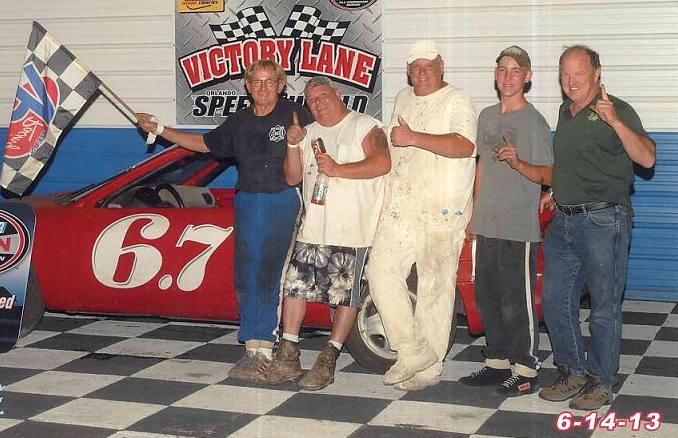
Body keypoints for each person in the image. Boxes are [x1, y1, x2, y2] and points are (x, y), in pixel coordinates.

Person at [137, 58, 312, 382]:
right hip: (247, 200)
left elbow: (327, 140)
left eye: (269, 81)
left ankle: (267, 346)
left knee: (270, 273)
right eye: (256, 81)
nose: (263, 87)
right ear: (247, 86)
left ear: (281, 85)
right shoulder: (239, 121)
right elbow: (203, 144)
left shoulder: (296, 114)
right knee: (246, 273)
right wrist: (160, 130)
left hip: (282, 199)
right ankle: (252, 347)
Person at [539, 45, 655, 410]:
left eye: (579, 74)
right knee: (555, 301)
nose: (571, 81)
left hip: (603, 221)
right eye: (565, 74)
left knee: (604, 307)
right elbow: (573, 162)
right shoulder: (565, 111)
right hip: (564, 221)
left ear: (597, 73)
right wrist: (555, 192)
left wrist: (615, 122)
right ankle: (573, 371)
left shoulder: (616, 109)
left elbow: (647, 158)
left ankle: (602, 379)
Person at [260, 77, 390, 390]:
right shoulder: (308, 133)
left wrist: (338, 169)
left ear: (338, 94)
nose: (318, 103)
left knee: (345, 295)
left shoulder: (364, 126)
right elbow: (292, 177)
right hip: (313, 229)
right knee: (294, 289)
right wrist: (292, 144)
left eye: (323, 96)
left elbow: (382, 163)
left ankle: (328, 357)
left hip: (354, 231)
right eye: (311, 100)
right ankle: (288, 354)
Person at [367, 39, 478, 391]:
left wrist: (414, 136)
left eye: (429, 65)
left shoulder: (458, 100)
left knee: (434, 289)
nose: (423, 72)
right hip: (399, 207)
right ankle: (413, 350)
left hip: (442, 211)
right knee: (379, 272)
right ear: (408, 71)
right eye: (416, 67)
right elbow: (394, 145)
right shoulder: (403, 97)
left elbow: (465, 145)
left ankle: (429, 370)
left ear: (441, 66)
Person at [459, 46, 553, 396]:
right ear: (495, 74)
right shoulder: (486, 116)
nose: (508, 76)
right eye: (503, 69)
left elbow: (550, 173)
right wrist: (474, 212)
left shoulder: (534, 122)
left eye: (516, 70)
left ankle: (526, 368)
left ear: (527, 77)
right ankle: (497, 362)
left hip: (517, 225)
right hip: (488, 221)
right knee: (488, 295)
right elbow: (482, 165)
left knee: (517, 300)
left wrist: (518, 162)